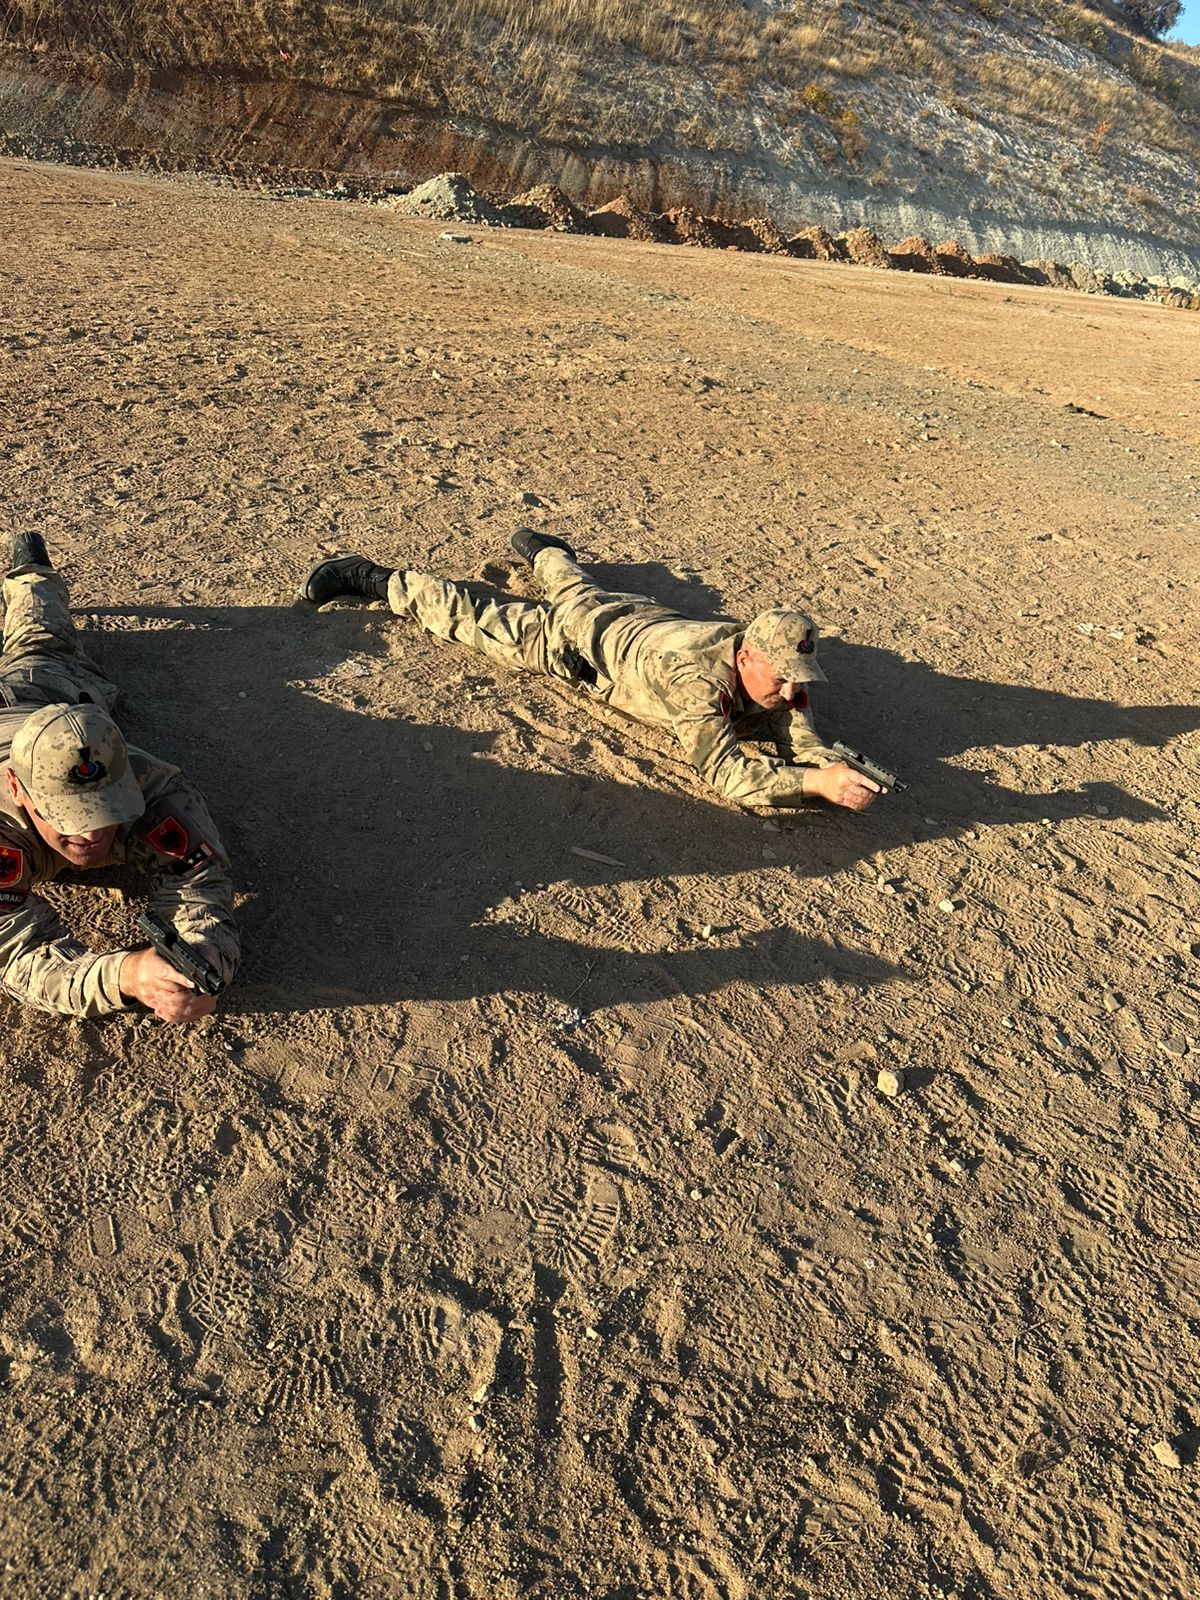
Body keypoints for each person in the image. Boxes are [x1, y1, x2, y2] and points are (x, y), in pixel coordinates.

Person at [300, 530, 886, 812]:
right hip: (581, 642)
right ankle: (371, 576)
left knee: (574, 583)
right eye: (781, 676)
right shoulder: (696, 682)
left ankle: (546, 550)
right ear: (747, 656)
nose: (792, 689)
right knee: (474, 618)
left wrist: (824, 760)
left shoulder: (771, 671)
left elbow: (795, 728)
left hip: (640, 617)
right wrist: (815, 784)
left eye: (799, 676)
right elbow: (725, 776)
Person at [0, 533, 240, 1021]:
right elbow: (19, 956)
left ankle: (34, 577)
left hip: (46, 693)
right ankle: (28, 579)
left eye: (105, 807)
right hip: (16, 699)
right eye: (68, 815)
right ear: (17, 790)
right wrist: (125, 976)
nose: (91, 832)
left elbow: (201, 884)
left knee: (43, 640)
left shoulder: (155, 788)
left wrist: (205, 951)